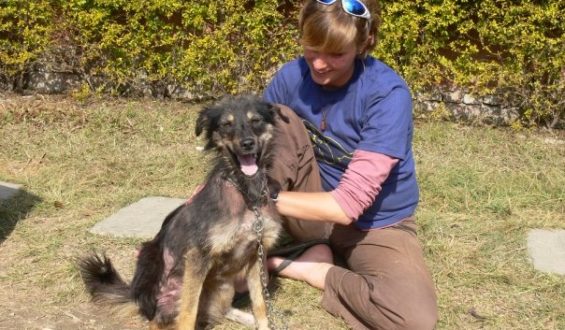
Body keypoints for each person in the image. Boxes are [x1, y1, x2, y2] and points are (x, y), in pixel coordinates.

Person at [262, 0, 438, 329]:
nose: (319, 63)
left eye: (336, 54)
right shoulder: (292, 77)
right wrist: (206, 205)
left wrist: (261, 197)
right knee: (275, 120)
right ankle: (288, 246)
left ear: (364, 43)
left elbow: (348, 206)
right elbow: (248, 149)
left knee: (413, 319)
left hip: (374, 224)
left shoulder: (387, 95)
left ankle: (315, 267)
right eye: (311, 49)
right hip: (307, 208)